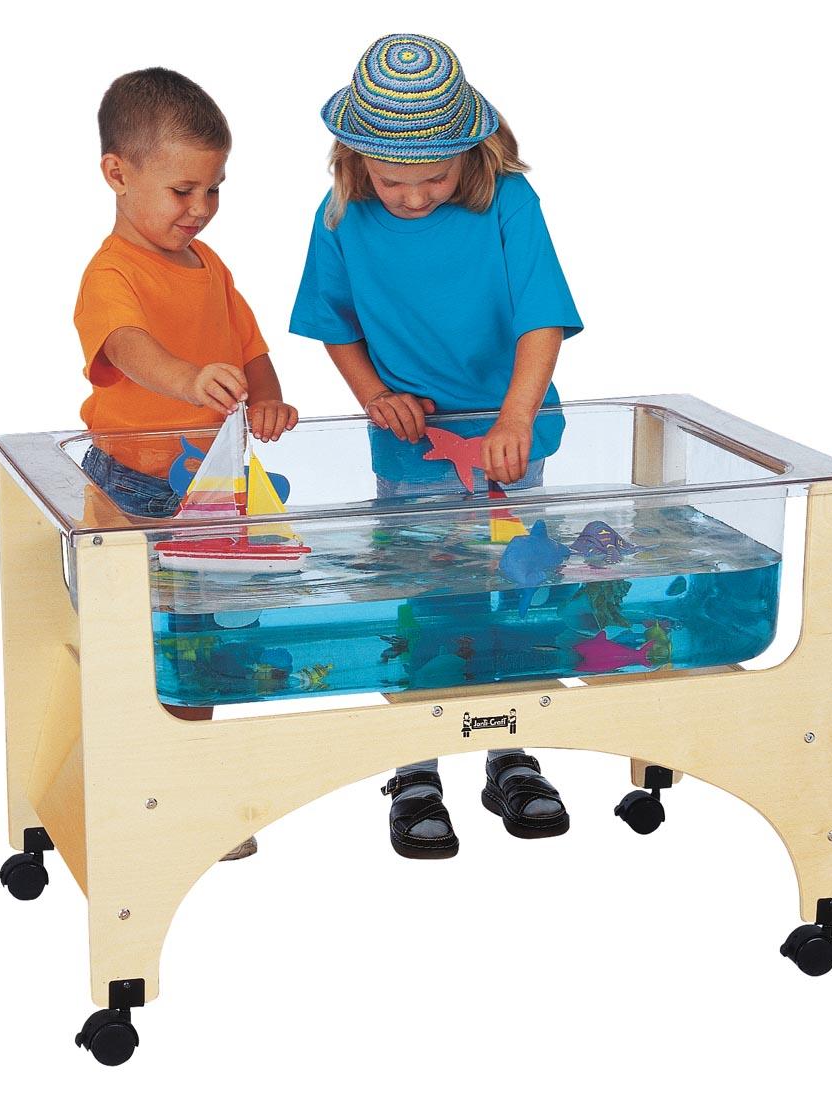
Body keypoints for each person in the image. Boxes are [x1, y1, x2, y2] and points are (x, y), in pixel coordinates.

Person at [290, 34, 583, 858]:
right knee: (430, 592)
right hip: (412, 449)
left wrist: (516, 420)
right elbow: (335, 325)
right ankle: (415, 766)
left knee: (521, 586)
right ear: (355, 161)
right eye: (393, 180)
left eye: (434, 178)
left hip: (511, 440)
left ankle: (512, 753)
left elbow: (542, 316)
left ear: (469, 153)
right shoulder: (342, 214)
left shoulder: (509, 204)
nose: (413, 197)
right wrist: (376, 398)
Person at [74, 67, 298, 860]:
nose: (200, 209)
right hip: (133, 487)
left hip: (212, 486)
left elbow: (251, 348)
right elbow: (127, 351)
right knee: (143, 641)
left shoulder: (212, 268)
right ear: (117, 173)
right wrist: (189, 381)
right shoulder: (113, 272)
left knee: (200, 639)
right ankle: (143, 793)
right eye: (183, 191)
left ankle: (192, 794)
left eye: (214, 190)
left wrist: (265, 398)